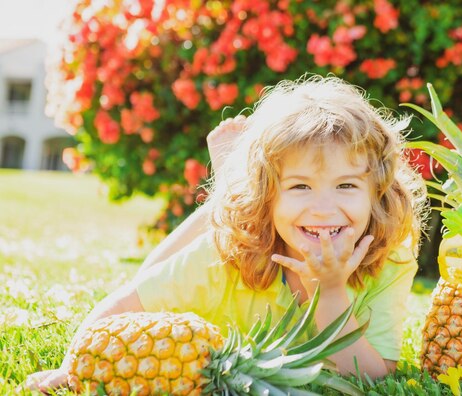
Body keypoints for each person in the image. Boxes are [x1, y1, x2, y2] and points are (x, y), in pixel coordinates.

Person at [23, 75, 428, 393]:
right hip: (243, 231)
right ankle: (231, 192)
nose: (323, 208)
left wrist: (333, 292)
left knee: (216, 225)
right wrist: (71, 366)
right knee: (160, 267)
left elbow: (376, 377)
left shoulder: (390, 254)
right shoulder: (230, 252)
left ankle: (232, 188)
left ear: (377, 194)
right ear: (269, 198)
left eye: (346, 186)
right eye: (300, 186)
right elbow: (128, 303)